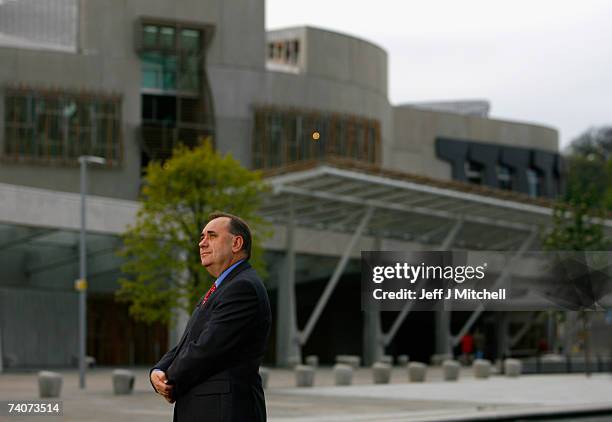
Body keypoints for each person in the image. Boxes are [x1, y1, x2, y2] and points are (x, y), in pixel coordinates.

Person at [150, 212, 272, 422]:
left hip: (224, 411)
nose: (202, 243)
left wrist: (170, 379)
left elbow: (208, 347)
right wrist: (158, 370)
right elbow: (188, 342)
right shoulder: (222, 288)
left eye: (212, 236)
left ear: (236, 243)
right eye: (201, 237)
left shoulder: (242, 287)